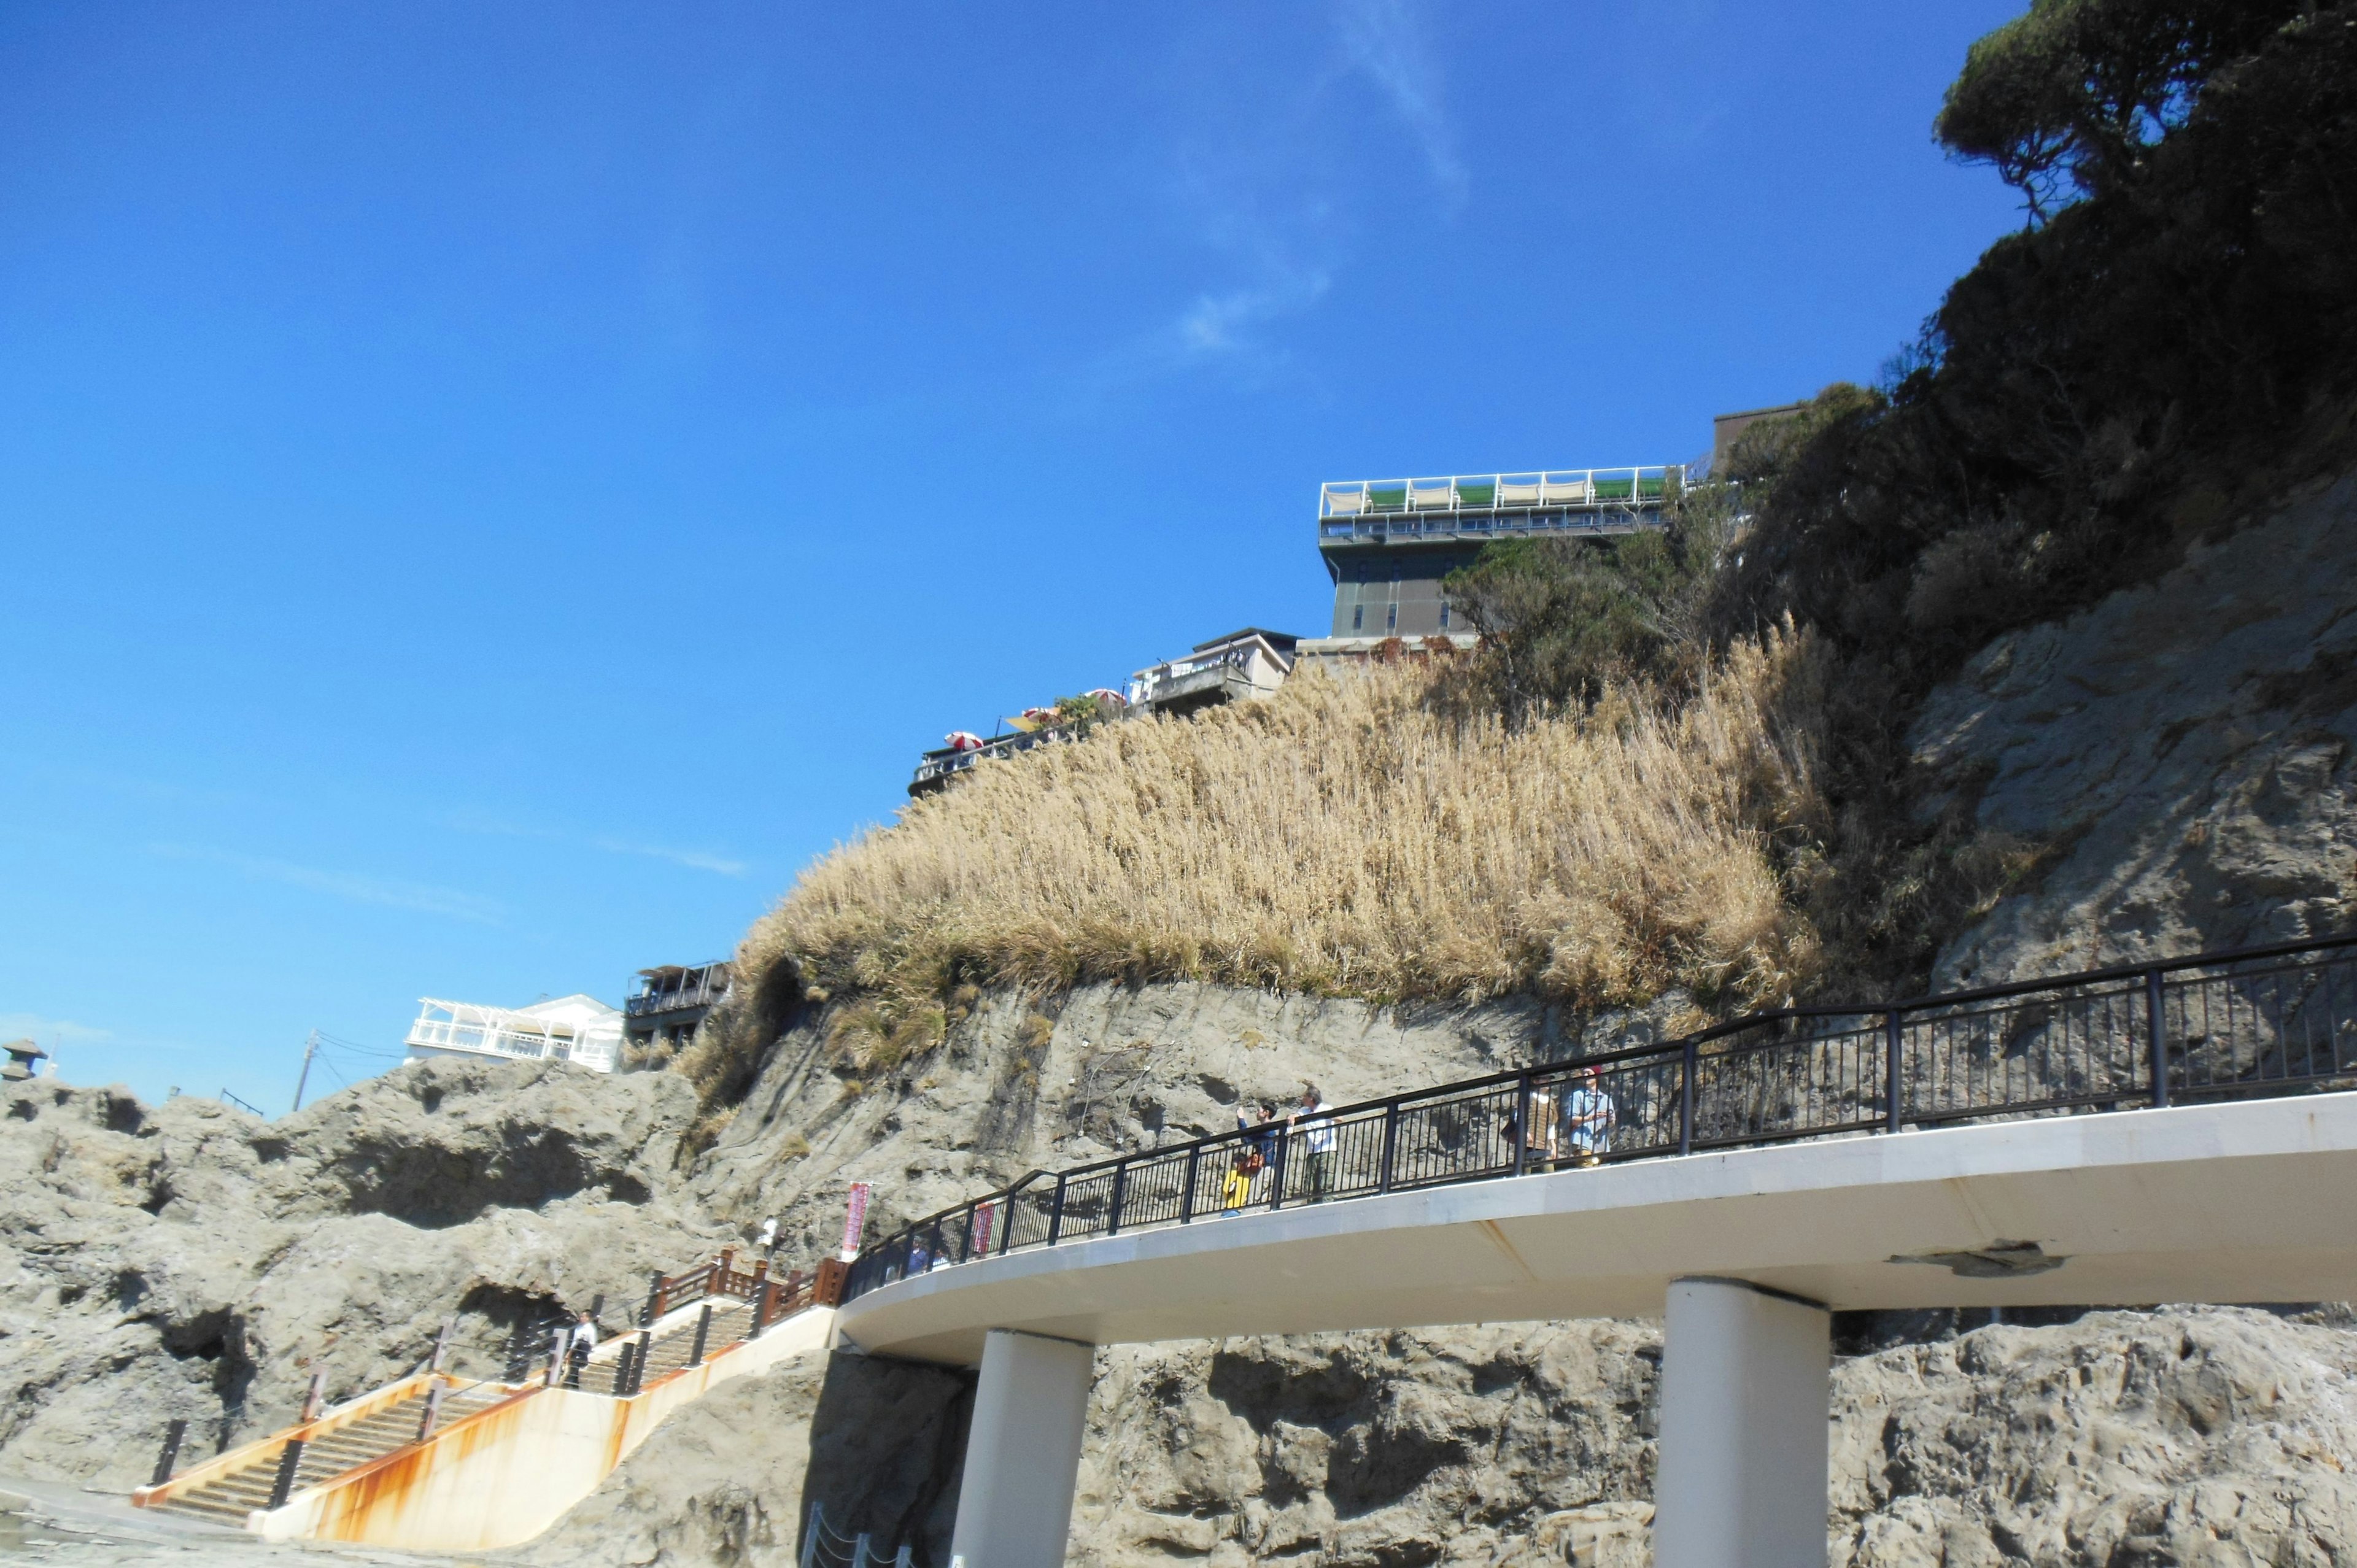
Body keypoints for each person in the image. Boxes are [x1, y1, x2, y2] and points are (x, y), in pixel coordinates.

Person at [1290, 1084, 1336, 1201]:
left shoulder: (1326, 1108)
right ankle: (1310, 1205)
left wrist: (1327, 1117)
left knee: (1325, 1180)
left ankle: (1325, 1205)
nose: (1302, 1099)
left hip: (1327, 1149)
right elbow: (1295, 1116)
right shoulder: (1305, 1111)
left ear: (1311, 1098)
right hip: (1312, 1151)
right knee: (1309, 1181)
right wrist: (1291, 1117)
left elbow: (1340, 1118)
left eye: (1304, 1096)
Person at [1562, 1066, 1615, 1167]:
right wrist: (1591, 1118)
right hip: (1582, 1140)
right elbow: (1573, 1120)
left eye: (1589, 1074)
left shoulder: (1606, 1099)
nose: (1585, 1076)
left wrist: (1610, 1120)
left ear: (1597, 1077)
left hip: (1600, 1143)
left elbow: (1612, 1124)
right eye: (1584, 1074)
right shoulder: (1578, 1096)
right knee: (1586, 1167)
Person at [1220, 1150, 1254, 1215]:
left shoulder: (1233, 1173)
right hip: (1242, 1208)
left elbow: (1225, 1190)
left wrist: (1227, 1198)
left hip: (1230, 1206)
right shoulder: (1248, 1176)